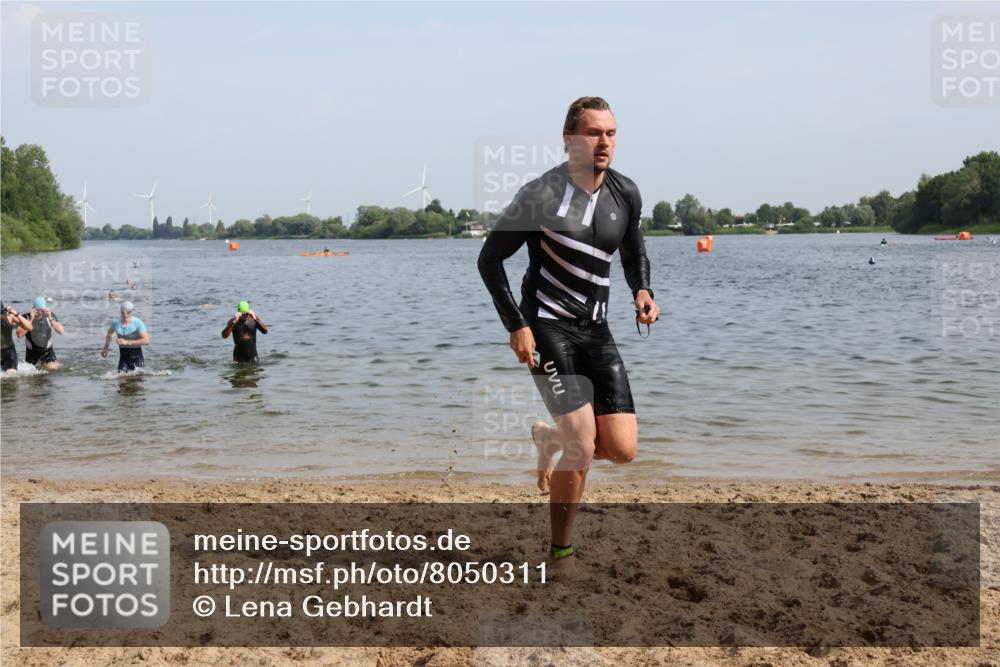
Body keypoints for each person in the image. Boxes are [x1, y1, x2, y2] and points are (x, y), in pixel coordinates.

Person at [477, 96, 660, 568]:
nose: (604, 142)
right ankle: (561, 552)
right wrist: (516, 323)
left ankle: (551, 439)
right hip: (548, 326)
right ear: (569, 138)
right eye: (594, 133)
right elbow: (490, 259)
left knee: (621, 450)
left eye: (611, 133)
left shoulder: (626, 193)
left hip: (597, 330)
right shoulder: (539, 195)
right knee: (583, 442)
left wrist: (642, 290)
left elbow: (633, 250)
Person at [18, 296, 64, 370]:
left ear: (46, 309)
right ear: (33, 309)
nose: (40, 313)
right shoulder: (25, 317)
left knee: (52, 368)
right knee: (32, 376)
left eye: (42, 310)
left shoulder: (50, 316)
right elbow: (19, 334)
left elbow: (61, 331)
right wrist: (31, 320)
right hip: (31, 353)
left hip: (47, 352)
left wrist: (50, 319)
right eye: (37, 310)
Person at [101, 301, 149, 372]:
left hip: (137, 357)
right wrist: (106, 348)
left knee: (137, 380)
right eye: (123, 312)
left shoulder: (138, 323)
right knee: (121, 380)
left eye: (128, 312)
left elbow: (146, 341)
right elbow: (109, 333)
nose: (125, 315)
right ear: (120, 312)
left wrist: (127, 342)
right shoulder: (116, 324)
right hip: (123, 357)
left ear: (131, 312)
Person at [1, 303, 33, 373]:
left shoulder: (10, 316)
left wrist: (16, 313)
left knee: (10, 375)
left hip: (9, 353)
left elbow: (29, 327)